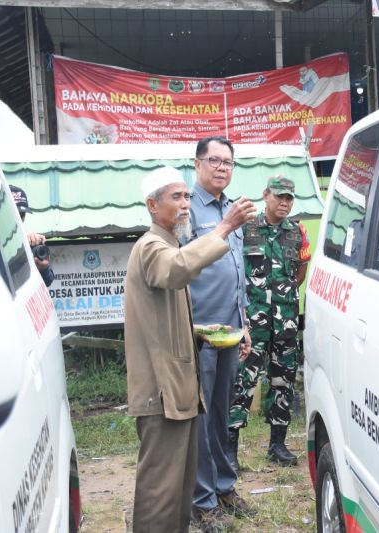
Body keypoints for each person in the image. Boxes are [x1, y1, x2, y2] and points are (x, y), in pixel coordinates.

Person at [124, 166, 255, 532]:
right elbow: (175, 270)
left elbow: (161, 313)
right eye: (176, 198)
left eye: (186, 197)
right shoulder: (152, 247)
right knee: (160, 491)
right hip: (161, 390)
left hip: (177, 387)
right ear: (152, 205)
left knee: (179, 488)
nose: (185, 205)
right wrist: (224, 227)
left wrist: (196, 331)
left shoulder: (168, 244)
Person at [187, 136, 256, 531]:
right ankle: (202, 500)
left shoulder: (233, 208)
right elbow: (181, 266)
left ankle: (224, 487)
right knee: (201, 417)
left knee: (222, 415)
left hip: (231, 330)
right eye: (214, 160)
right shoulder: (185, 207)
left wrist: (243, 321)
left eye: (228, 162)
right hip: (199, 333)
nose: (222, 168)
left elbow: (237, 271)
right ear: (198, 164)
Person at [227, 175, 311, 470]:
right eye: (279, 196)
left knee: (283, 381)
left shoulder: (297, 232)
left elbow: (300, 271)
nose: (284, 203)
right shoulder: (246, 228)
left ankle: (278, 445)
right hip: (254, 323)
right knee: (242, 382)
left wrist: (284, 294)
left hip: (285, 323)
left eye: (289, 198)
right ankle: (230, 451)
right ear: (266, 195)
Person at [10, 184, 54, 287]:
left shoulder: (31, 242)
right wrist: (20, 239)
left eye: (22, 215)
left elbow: (48, 281)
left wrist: (43, 269)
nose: (19, 219)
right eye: (14, 214)